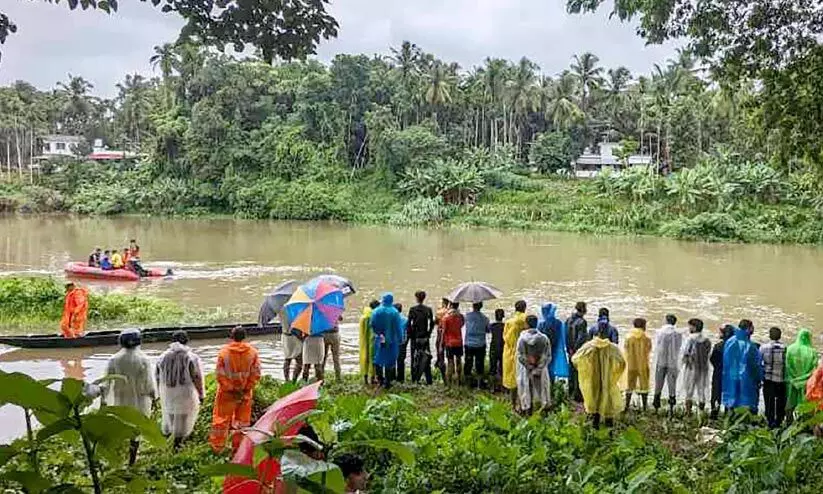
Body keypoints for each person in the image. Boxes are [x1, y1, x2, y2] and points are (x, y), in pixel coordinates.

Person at [104, 329, 156, 465]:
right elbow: (148, 384)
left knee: (121, 426)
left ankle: (117, 459)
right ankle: (132, 460)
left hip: (120, 398)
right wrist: (154, 396)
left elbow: (106, 382)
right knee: (136, 429)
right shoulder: (143, 359)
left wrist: (104, 401)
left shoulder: (114, 359)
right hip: (139, 399)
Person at [209, 326, 261, 453]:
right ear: (244, 337)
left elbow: (220, 375)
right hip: (245, 394)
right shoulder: (253, 353)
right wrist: (246, 388)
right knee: (242, 422)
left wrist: (231, 388)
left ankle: (218, 447)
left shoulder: (223, 353)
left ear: (231, 337)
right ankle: (238, 448)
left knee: (221, 420)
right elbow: (256, 374)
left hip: (227, 394)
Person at [572, 317, 627, 428]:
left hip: (592, 378)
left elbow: (575, 359)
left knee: (594, 399)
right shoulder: (612, 348)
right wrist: (614, 374)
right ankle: (609, 429)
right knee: (608, 402)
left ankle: (595, 427)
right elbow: (622, 362)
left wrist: (585, 370)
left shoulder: (589, 346)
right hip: (607, 378)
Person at [155, 331, 205, 449]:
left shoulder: (162, 357)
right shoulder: (191, 357)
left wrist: (158, 393)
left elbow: (157, 376)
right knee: (184, 416)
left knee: (171, 413)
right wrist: (201, 394)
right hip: (185, 392)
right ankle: (178, 443)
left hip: (168, 391)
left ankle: (171, 438)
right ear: (186, 341)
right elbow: (197, 377)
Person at [722, 325, 763, 414]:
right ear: (748, 329)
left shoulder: (729, 341)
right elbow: (755, 365)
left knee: (731, 398)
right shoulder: (751, 346)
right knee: (746, 400)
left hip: (731, 375)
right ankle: (745, 420)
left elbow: (726, 360)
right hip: (745, 377)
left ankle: (729, 417)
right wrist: (759, 378)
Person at [516, 315, 552, 414]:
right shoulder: (544, 338)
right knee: (541, 390)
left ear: (526, 324)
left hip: (525, 369)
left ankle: (527, 411)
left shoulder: (522, 338)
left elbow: (520, 356)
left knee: (526, 389)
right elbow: (547, 356)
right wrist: (539, 367)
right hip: (540, 368)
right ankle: (541, 411)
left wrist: (529, 366)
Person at [785, 328, 819, 422]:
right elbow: (814, 369)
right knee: (804, 404)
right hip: (806, 383)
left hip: (792, 381)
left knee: (790, 403)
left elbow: (787, 366)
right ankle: (803, 424)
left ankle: (788, 422)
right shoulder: (812, 352)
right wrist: (803, 379)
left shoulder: (790, 349)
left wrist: (794, 379)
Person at [371, 293, 403, 389]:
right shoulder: (395, 312)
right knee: (390, 361)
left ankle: (380, 380)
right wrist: (401, 339)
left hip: (379, 338)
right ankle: (388, 382)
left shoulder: (376, 311)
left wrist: (378, 333)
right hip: (392, 340)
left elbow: (372, 324)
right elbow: (398, 327)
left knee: (378, 359)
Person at [680, 318, 712, 415]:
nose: (688, 328)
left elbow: (685, 353)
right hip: (703, 368)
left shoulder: (690, 339)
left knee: (689, 390)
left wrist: (684, 363)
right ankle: (701, 412)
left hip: (691, 368)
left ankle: (688, 412)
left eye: (690, 326)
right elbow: (708, 354)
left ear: (694, 327)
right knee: (701, 390)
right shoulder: (707, 340)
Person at [653, 314, 683, 416]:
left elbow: (657, 346)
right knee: (672, 386)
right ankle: (671, 409)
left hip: (661, 361)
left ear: (666, 321)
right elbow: (679, 347)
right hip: (673, 362)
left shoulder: (660, 332)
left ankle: (656, 408)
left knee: (658, 385)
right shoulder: (678, 333)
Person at [760, 326, 787, 428]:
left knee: (769, 401)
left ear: (769, 335)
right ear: (780, 336)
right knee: (780, 402)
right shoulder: (785, 348)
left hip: (768, 380)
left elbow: (759, 363)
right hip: (781, 380)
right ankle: (779, 421)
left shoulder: (763, 348)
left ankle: (770, 421)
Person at [503, 300, 529, 410]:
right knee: (523, 380)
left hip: (510, 353)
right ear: (524, 308)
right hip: (524, 352)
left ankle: (513, 405)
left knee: (512, 380)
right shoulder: (526, 320)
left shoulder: (509, 322)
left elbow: (505, 338)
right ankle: (523, 405)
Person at [624, 317, 652, 412]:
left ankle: (626, 406)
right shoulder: (646, 338)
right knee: (644, 386)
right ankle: (644, 407)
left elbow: (626, 349)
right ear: (643, 326)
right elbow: (649, 350)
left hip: (631, 365)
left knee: (629, 386)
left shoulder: (628, 337)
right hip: (643, 365)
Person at [407, 291, 435, 385]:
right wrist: (428, 334)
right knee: (426, 357)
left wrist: (411, 335)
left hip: (415, 337)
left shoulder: (412, 309)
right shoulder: (428, 309)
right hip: (425, 337)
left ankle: (414, 379)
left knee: (414, 358)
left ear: (416, 298)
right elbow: (431, 323)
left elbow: (409, 324)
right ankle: (428, 379)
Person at [538, 303, 569, 383]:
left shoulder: (541, 324)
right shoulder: (558, 323)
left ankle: (546, 384)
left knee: (545, 367)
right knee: (553, 366)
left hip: (544, 349)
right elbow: (563, 336)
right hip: (555, 347)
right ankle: (552, 384)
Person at [710, 325, 735, 419]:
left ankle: (714, 414)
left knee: (716, 394)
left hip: (718, 373)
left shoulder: (718, 346)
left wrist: (717, 368)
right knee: (729, 395)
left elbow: (713, 359)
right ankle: (728, 416)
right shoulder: (735, 347)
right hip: (731, 374)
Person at [566, 302, 588, 403]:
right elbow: (581, 338)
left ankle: (570, 393)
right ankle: (578, 396)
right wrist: (576, 349)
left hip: (569, 349)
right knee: (579, 372)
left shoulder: (568, 320)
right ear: (584, 309)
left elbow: (565, 334)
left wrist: (569, 349)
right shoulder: (582, 322)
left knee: (571, 371)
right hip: (577, 350)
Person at [464, 302, 489, 388]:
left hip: (469, 343)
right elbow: (488, 330)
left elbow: (462, 325)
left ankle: (467, 384)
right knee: (480, 365)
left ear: (472, 306)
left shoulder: (467, 316)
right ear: (481, 307)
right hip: (480, 344)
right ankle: (479, 385)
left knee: (468, 363)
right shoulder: (485, 318)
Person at [441, 302, 465, 386]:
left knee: (450, 361)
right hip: (459, 342)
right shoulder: (461, 317)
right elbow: (462, 325)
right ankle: (459, 381)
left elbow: (443, 332)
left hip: (449, 342)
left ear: (450, 305)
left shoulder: (446, 318)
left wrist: (441, 344)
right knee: (458, 360)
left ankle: (449, 382)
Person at [358, 300, 379, 385]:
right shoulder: (374, 316)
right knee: (373, 360)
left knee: (364, 358)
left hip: (363, 341)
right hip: (372, 341)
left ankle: (365, 378)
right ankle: (373, 378)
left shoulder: (363, 317)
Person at [282, 313, 304, 384]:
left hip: (285, 336)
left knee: (287, 359)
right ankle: (294, 380)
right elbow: (295, 328)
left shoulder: (282, 310)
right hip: (295, 337)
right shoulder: (296, 311)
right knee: (299, 361)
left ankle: (287, 380)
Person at [488, 308, 505, 392]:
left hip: (493, 347)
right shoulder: (505, 326)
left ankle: (492, 388)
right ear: (503, 316)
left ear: (495, 316)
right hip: (502, 348)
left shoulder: (492, 326)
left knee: (492, 368)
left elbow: (487, 330)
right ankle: (502, 387)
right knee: (502, 368)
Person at [434, 298, 450, 382]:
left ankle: (442, 375)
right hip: (448, 335)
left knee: (440, 353)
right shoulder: (450, 312)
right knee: (449, 356)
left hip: (440, 333)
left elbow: (435, 322)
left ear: (443, 303)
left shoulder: (439, 312)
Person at [323, 317, 343, 382]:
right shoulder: (334, 308)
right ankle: (338, 377)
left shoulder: (320, 310)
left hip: (324, 334)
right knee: (336, 357)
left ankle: (321, 377)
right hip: (335, 334)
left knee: (323, 357)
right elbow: (341, 318)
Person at [394, 303, 409, 382]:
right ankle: (401, 379)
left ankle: (392, 378)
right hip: (402, 342)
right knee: (401, 361)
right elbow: (408, 332)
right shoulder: (405, 319)